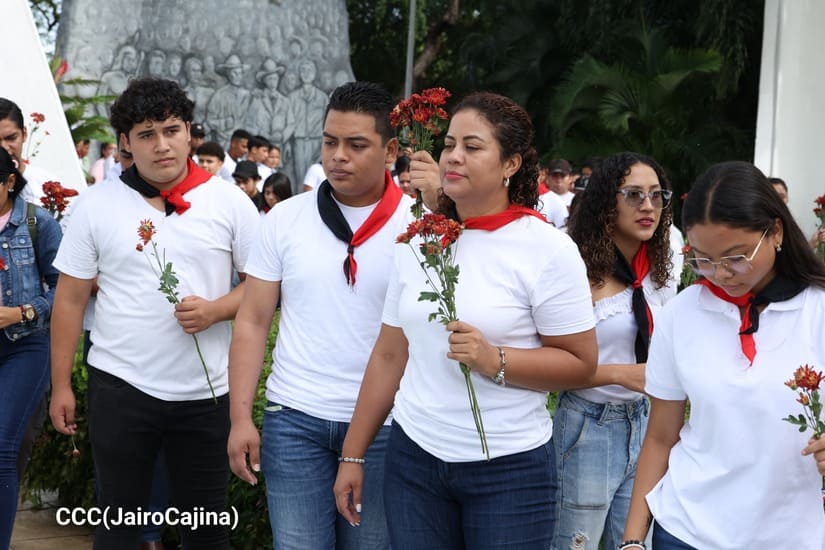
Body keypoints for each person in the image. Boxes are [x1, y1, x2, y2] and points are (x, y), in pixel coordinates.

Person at [333, 92, 598, 549]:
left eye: (473, 147)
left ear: (510, 164)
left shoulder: (547, 249)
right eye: (449, 143)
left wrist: (493, 358)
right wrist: (352, 454)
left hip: (510, 469)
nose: (453, 156)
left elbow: (580, 364)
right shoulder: (420, 241)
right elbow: (390, 354)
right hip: (414, 458)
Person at [49, 77, 259, 549]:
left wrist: (217, 308)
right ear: (125, 143)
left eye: (170, 130)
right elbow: (69, 299)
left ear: (190, 132)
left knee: (205, 533)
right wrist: (61, 385)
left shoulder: (231, 203)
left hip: (206, 393)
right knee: (119, 530)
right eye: (146, 134)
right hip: (120, 386)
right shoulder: (95, 205)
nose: (161, 145)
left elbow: (263, 289)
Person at [228, 81, 411, 549]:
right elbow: (252, 321)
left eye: (356, 145)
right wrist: (241, 418)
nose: (338, 157)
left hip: (387, 429)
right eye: (330, 142)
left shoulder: (419, 227)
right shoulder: (285, 219)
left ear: (390, 150)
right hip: (295, 420)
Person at [621, 161, 825, 549]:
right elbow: (662, 437)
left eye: (736, 257)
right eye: (703, 259)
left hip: (790, 536)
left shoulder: (817, 311)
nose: (721, 274)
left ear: (776, 232)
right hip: (687, 530)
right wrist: (633, 539)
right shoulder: (682, 314)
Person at [552, 152, 676, 550]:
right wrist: (622, 373)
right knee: (577, 543)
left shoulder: (659, 270)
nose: (648, 206)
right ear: (607, 201)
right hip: (589, 425)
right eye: (634, 194)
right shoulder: (577, 271)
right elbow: (551, 367)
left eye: (658, 196)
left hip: (646, 423)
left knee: (638, 541)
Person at [0, 147, 62, 549]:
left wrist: (22, 312)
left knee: (2, 450)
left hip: (25, 346)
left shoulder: (39, 223)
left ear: (8, 183)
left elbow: (67, 290)